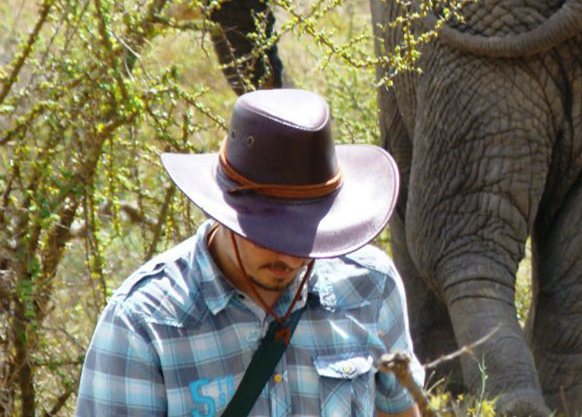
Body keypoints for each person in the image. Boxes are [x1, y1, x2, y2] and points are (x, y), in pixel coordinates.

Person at [76, 88, 423, 416]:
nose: (290, 257)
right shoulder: (143, 325)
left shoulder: (371, 286)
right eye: (270, 236)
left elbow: (400, 409)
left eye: (308, 238)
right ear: (225, 212)